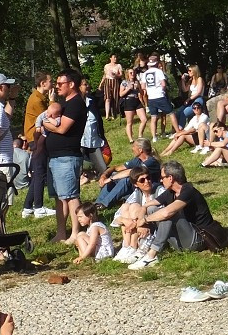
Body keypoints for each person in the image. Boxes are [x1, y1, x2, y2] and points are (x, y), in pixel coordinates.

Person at [128, 160, 225, 270]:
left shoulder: (188, 191)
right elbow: (146, 206)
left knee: (169, 213)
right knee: (152, 209)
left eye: (162, 177)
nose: (160, 180)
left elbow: (167, 213)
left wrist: (146, 220)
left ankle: (151, 255)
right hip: (182, 242)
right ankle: (152, 248)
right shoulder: (171, 192)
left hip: (199, 239)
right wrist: (141, 221)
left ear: (170, 178)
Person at [43, 68, 87, 243]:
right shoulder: (64, 104)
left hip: (67, 157)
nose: (57, 86)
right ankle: (61, 233)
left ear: (71, 84)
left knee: (70, 196)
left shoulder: (76, 103)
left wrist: (47, 125)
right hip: (55, 157)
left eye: (60, 83)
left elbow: (62, 128)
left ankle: (76, 233)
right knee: (59, 198)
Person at [111, 167, 169, 263]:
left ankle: (134, 247)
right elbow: (117, 216)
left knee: (137, 207)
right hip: (139, 228)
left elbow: (162, 213)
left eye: (148, 178)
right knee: (126, 206)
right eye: (142, 180)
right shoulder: (137, 193)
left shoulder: (159, 191)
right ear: (135, 184)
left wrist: (142, 223)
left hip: (155, 228)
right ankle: (127, 246)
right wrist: (128, 221)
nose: (146, 181)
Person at [20, 72, 55, 219]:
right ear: (42, 83)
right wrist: (53, 101)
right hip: (37, 138)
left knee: (36, 174)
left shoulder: (39, 97)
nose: (52, 84)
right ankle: (39, 207)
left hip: (35, 138)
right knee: (40, 173)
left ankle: (28, 207)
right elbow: (49, 116)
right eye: (50, 81)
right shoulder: (36, 100)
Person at [95, 138, 160, 207]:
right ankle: (98, 203)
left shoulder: (151, 161)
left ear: (140, 150)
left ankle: (104, 204)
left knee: (126, 179)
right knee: (114, 174)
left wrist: (110, 179)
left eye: (134, 146)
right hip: (137, 186)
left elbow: (130, 172)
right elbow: (116, 168)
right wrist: (104, 175)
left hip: (149, 188)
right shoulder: (137, 160)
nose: (132, 149)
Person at [139, 55, 174, 142]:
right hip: (160, 95)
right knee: (170, 114)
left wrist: (150, 90)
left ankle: (154, 137)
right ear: (157, 63)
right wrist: (162, 90)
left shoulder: (145, 73)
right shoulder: (159, 71)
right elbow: (164, 84)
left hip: (151, 97)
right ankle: (172, 131)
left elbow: (143, 86)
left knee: (153, 117)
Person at [118, 68, 146, 144]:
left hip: (137, 101)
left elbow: (142, 93)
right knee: (130, 122)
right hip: (128, 101)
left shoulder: (137, 81)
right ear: (127, 74)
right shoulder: (124, 82)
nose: (132, 74)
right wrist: (128, 89)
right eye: (130, 73)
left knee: (144, 119)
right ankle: (131, 139)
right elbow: (120, 94)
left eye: (133, 73)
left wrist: (139, 88)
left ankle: (140, 135)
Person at [98, 54, 123, 120]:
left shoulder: (118, 65)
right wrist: (101, 84)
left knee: (115, 98)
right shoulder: (106, 66)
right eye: (114, 57)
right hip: (107, 81)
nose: (115, 58)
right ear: (110, 58)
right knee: (107, 98)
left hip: (115, 81)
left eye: (116, 57)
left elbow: (121, 75)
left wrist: (116, 74)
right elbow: (104, 75)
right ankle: (107, 115)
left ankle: (114, 114)